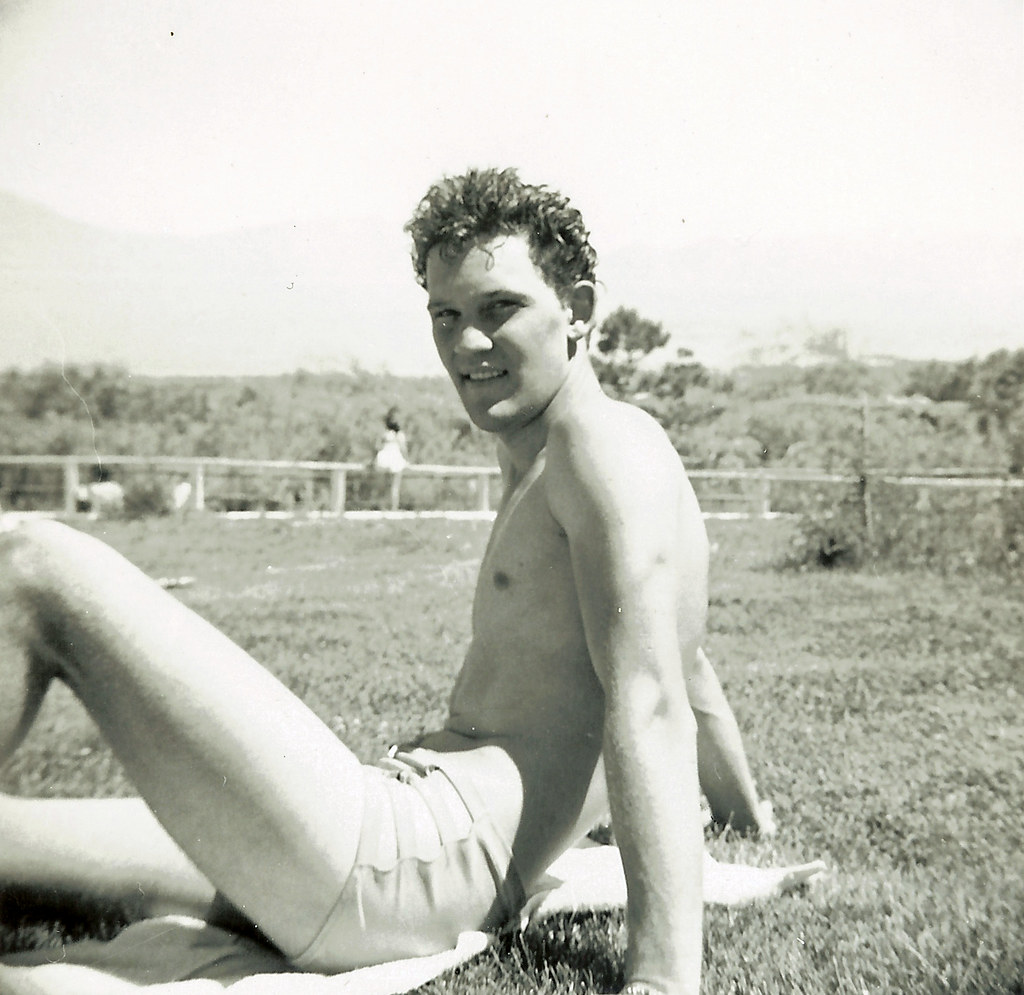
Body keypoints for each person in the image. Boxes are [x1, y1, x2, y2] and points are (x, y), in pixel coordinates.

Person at [0, 168, 815, 995]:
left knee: (32, 562)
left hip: (405, 865)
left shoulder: (602, 449)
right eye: (445, 315)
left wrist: (662, 979)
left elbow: (652, 700)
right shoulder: (566, 455)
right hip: (388, 838)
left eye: (499, 308)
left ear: (579, 307)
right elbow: (689, 663)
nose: (467, 344)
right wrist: (745, 813)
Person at [372, 406, 409, 511]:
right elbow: (404, 449)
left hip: (384, 459)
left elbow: (377, 447)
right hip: (395, 459)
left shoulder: (384, 434)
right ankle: (393, 508)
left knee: (383, 486)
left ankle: (383, 507)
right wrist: (407, 461)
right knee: (394, 486)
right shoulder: (400, 435)